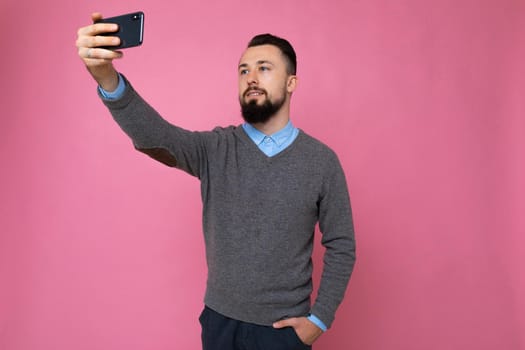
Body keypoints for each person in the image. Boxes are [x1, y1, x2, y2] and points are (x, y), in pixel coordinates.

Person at [76, 12, 356, 350]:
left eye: (264, 68)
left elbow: (342, 246)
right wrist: (108, 80)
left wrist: (319, 320)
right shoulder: (215, 148)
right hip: (220, 325)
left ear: (291, 82)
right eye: (243, 70)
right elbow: (155, 136)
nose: (251, 77)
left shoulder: (322, 161)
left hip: (284, 333)